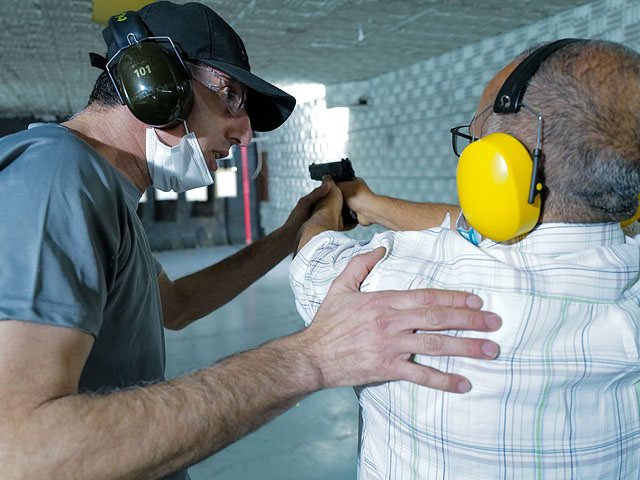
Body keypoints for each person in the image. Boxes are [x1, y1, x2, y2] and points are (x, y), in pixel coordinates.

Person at [0, 2, 503, 479]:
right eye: (231, 98)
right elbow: (23, 450)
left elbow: (173, 306)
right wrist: (313, 356)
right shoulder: (58, 174)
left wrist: (287, 236)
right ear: (153, 79)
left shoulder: (104, 192)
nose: (243, 135)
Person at [290, 38, 640, 478]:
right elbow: (493, 227)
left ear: (497, 169)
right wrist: (370, 203)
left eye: (474, 142)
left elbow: (312, 254)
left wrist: (329, 201)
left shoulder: (398, 283)